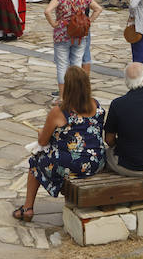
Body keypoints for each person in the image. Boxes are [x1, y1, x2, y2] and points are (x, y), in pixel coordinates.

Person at [13, 66, 105, 222]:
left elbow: (43, 141)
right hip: (96, 161)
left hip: (74, 164)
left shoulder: (60, 111)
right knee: (58, 155)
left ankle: (28, 208)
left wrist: (41, 133)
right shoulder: (96, 105)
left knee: (36, 160)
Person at [45, 0, 103, 94]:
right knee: (76, 64)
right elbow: (98, 9)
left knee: (62, 65)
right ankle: (75, 94)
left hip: (61, 34)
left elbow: (47, 11)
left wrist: (54, 24)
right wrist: (88, 21)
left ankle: (62, 96)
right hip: (79, 33)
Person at [48, 0, 95, 73]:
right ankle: (83, 84)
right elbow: (97, 7)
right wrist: (89, 21)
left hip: (64, 25)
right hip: (82, 22)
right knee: (84, 56)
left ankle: (67, 86)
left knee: (64, 60)